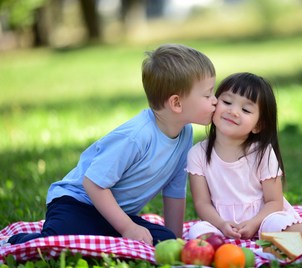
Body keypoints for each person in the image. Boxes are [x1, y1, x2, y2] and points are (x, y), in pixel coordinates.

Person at [5, 44, 217, 246]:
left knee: (162, 239)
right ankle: (18, 241)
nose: (215, 101)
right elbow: (93, 184)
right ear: (176, 103)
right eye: (208, 95)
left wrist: (175, 241)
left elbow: (175, 189)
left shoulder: (185, 133)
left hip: (114, 213)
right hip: (76, 204)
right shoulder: (136, 136)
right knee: (62, 237)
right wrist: (127, 228)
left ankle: (108, 233)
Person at [186, 72, 302, 240]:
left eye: (245, 109)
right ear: (215, 103)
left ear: (258, 125)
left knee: (276, 224)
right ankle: (220, 251)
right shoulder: (197, 154)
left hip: (262, 220)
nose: (233, 111)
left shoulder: (262, 152)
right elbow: (202, 203)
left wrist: (254, 223)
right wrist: (221, 224)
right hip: (221, 223)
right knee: (198, 230)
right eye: (227, 102)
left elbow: (274, 202)